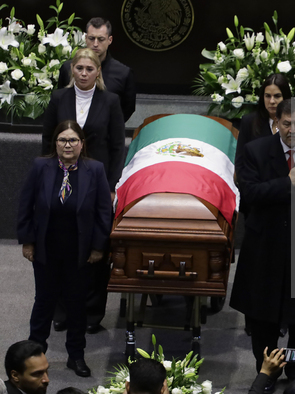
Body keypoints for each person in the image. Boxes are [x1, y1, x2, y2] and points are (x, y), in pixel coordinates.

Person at [230, 99, 295, 390]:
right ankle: (267, 370)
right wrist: (288, 182)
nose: (293, 130)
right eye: (287, 124)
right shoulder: (256, 150)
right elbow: (250, 194)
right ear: (276, 124)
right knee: (263, 316)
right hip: (265, 245)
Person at [17, 120, 112, 377]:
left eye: (72, 140)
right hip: (46, 250)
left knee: (77, 304)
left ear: (82, 144)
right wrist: (28, 241)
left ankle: (76, 356)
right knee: (43, 303)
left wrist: (98, 247)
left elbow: (105, 212)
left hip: (80, 252)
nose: (67, 145)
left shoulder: (95, 169)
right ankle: (34, 357)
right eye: (62, 140)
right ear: (55, 143)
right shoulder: (41, 166)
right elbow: (25, 205)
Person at [43, 47, 125, 335]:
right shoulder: (58, 98)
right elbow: (46, 140)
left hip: (97, 181)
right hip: (63, 179)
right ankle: (61, 310)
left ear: (98, 71)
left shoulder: (111, 100)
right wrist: (47, 178)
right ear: (71, 70)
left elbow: (117, 146)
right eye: (79, 68)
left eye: (90, 69)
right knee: (62, 244)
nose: (84, 73)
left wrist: (113, 185)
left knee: (94, 246)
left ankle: (91, 312)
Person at [234, 73, 292, 336]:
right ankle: (254, 320)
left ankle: (279, 318)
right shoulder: (250, 122)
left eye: (277, 96)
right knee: (256, 267)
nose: (271, 101)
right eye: (267, 95)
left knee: (281, 267)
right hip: (256, 203)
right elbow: (241, 163)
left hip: (286, 207)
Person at [58, 17, 136, 122]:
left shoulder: (123, 73)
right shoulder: (68, 68)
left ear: (110, 40)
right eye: (91, 38)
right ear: (85, 38)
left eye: (101, 39)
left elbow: (128, 108)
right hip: (72, 131)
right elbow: (61, 100)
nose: (95, 44)